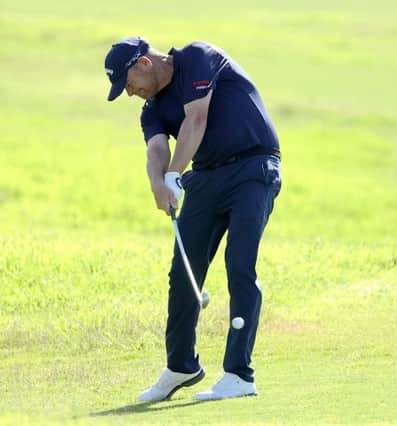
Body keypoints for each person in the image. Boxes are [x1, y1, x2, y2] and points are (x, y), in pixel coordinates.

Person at [104, 36, 282, 401]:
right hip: (205, 177)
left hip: (253, 166)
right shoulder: (151, 109)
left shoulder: (197, 58)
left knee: (240, 264)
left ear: (144, 63)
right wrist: (159, 184)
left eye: (128, 84)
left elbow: (196, 118)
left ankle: (239, 374)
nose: (129, 93)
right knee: (183, 272)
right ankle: (181, 365)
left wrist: (174, 174)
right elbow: (156, 149)